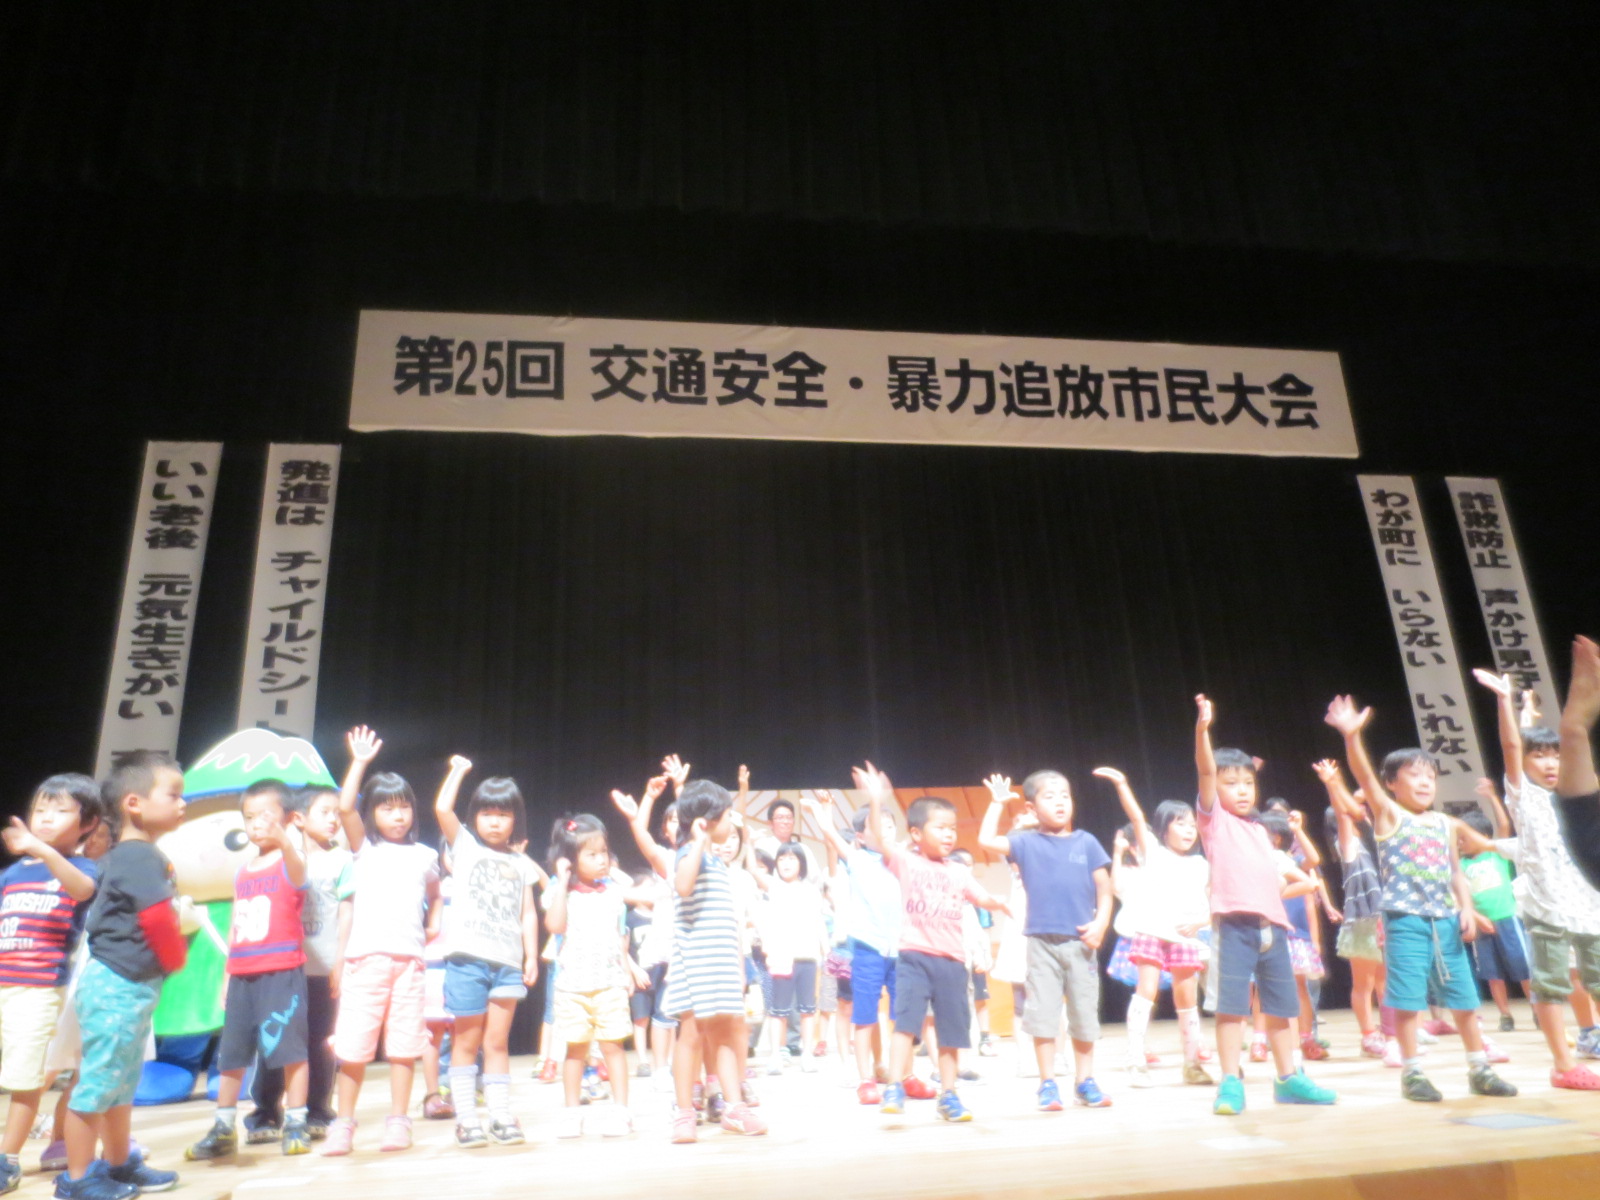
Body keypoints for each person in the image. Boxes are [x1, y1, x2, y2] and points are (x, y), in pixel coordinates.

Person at [1325, 694, 1516, 1102]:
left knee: (1465, 998)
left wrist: (1467, 908)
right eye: (1414, 775)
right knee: (1407, 999)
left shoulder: (1446, 823)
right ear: (1392, 783)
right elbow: (1363, 775)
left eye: (1430, 775)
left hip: (1445, 920)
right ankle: (1412, 1073)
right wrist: (1352, 736)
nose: (1425, 782)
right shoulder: (1389, 814)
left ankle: (1479, 1069)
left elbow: (1454, 872)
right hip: (1405, 920)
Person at [1195, 696, 1335, 1115]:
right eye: (1231, 783)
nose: (1241, 790)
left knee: (1280, 1007)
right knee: (1231, 1007)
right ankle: (1230, 1081)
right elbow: (1205, 769)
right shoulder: (1214, 822)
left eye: (1248, 783)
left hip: (1273, 928)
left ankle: (1288, 1078)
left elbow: (1287, 881)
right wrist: (1202, 729)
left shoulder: (1259, 830)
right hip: (1234, 926)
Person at [59, 751, 188, 1200]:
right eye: (173, 794)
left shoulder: (132, 855)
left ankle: (119, 1164)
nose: (183, 803)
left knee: (119, 1085)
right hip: (117, 985)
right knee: (98, 1086)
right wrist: (176, 958)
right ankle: (77, 1179)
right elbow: (156, 917)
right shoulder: (139, 856)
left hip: (126, 986)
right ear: (134, 803)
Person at [858, 763, 1008, 1123]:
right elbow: (878, 840)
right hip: (914, 957)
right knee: (906, 1025)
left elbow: (981, 897)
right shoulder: (906, 861)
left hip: (953, 962)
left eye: (952, 828)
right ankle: (894, 1086)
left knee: (951, 1032)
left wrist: (999, 902)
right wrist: (876, 801)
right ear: (915, 833)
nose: (948, 834)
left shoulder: (959, 870)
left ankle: (949, 1095)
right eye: (940, 828)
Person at [1472, 669, 1600, 1089]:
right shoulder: (1523, 795)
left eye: (1556, 756)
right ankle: (1563, 1065)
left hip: (1588, 904)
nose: (1550, 763)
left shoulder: (1574, 797)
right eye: (1540, 756)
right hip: (1546, 907)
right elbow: (1513, 744)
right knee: (1550, 985)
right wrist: (1504, 701)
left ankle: (1589, 1037)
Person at [325, 727, 441, 1155]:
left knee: (404, 1048)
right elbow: (343, 807)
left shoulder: (425, 855)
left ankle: (399, 1120)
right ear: (372, 813)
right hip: (365, 961)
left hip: (409, 964)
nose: (398, 816)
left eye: (404, 807)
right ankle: (344, 1123)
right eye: (387, 808)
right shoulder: (365, 850)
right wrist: (359, 762)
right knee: (354, 1048)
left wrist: (434, 923)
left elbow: (435, 892)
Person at [184, 780, 312, 1161]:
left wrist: (286, 840)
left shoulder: (291, 861)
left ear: (289, 818)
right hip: (242, 973)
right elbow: (236, 926)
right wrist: (227, 974)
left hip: (281, 970)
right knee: (232, 1053)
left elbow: (299, 871)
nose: (257, 824)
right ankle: (223, 1127)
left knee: (291, 1050)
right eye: (250, 817)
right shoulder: (242, 872)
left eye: (266, 816)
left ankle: (296, 1122)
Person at [977, 770, 1111, 1111]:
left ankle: (1085, 1081)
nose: (1060, 802)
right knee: (1043, 1015)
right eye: (1049, 797)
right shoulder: (1026, 843)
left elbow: (1105, 889)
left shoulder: (1086, 842)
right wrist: (996, 803)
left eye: (1065, 795)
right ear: (1032, 808)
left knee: (1083, 1015)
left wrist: (1101, 923)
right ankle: (1047, 1083)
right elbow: (986, 840)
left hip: (1081, 943)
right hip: (1041, 944)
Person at [0, 775, 102, 1195]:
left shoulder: (82, 868)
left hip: (39, 989)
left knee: (25, 1078)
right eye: (40, 809)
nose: (45, 818)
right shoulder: (12, 873)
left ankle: (7, 1159)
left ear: (88, 824)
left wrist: (41, 850)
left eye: (60, 811)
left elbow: (83, 890)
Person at [434, 756, 540, 1147]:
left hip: (507, 964)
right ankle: (466, 1119)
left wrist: (531, 955)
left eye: (503, 814)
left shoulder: (521, 863)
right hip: (467, 961)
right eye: (487, 814)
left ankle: (499, 1115)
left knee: (497, 1043)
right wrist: (458, 771)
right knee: (466, 1042)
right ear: (475, 817)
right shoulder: (464, 846)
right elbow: (441, 808)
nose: (495, 822)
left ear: (516, 819)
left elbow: (528, 913)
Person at [657, 777, 766, 1143]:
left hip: (721, 962)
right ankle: (684, 1111)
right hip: (696, 962)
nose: (732, 821)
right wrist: (700, 841)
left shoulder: (717, 862)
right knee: (690, 1035)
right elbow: (682, 886)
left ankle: (734, 1107)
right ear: (705, 822)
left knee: (724, 1035)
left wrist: (737, 966)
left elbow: (729, 921)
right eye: (727, 815)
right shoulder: (690, 852)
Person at [1092, 768, 1210, 1087]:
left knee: (1188, 1000)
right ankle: (1135, 1060)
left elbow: (1214, 902)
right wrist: (1122, 783)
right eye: (1180, 823)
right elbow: (1136, 815)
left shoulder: (1201, 864)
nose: (1189, 830)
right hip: (1152, 932)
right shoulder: (1153, 853)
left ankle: (1192, 1064)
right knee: (1146, 992)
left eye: (1192, 824)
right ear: (1163, 827)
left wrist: (1201, 922)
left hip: (1185, 936)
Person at [246, 785, 351, 1142]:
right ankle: (265, 1112)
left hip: (323, 969)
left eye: (337, 813)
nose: (334, 819)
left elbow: (347, 913)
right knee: (273, 1039)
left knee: (320, 1041)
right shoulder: (279, 858)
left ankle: (317, 1109)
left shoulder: (342, 860)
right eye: (325, 812)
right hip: (283, 967)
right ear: (300, 819)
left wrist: (341, 961)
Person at [545, 814, 646, 1138]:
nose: (602, 859)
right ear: (570, 859)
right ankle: (572, 1112)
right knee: (575, 1051)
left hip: (609, 985)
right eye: (592, 854)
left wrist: (627, 970)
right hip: (572, 988)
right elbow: (555, 925)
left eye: (604, 851)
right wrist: (563, 881)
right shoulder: (560, 892)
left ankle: (621, 1111)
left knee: (613, 1048)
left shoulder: (612, 891)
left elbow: (621, 933)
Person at [800, 790, 902, 1103]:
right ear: (860, 836)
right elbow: (830, 834)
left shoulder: (902, 859)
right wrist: (823, 813)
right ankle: (865, 1079)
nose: (885, 830)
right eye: (877, 825)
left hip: (899, 950)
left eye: (889, 825)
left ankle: (901, 1076)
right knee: (864, 1015)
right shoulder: (856, 859)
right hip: (868, 949)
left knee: (903, 1017)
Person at [1314, 760, 1387, 1059]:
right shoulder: (1347, 845)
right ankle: (1368, 1035)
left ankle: (1390, 1030)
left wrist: (1342, 788)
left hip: (1383, 918)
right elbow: (1346, 814)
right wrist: (1332, 784)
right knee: (1364, 983)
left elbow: (1358, 811)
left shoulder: (1373, 840)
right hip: (1362, 922)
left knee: (1385, 980)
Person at [611, 776, 680, 1086]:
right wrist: (647, 800)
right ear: (665, 830)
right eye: (672, 821)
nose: (678, 825)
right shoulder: (668, 860)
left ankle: (695, 1074)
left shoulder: (704, 856)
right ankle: (662, 1069)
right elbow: (644, 840)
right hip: (667, 946)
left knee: (690, 1016)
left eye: (682, 820)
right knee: (663, 1012)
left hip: (695, 946)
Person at [756, 845, 827, 1073]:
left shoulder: (811, 891)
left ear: (801, 863)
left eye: (792, 859)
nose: (786, 863)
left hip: (807, 956)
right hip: (781, 957)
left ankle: (807, 1054)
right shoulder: (774, 887)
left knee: (807, 1009)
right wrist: (747, 842)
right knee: (779, 1010)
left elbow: (819, 922)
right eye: (782, 859)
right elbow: (753, 870)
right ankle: (776, 1054)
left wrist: (826, 951)